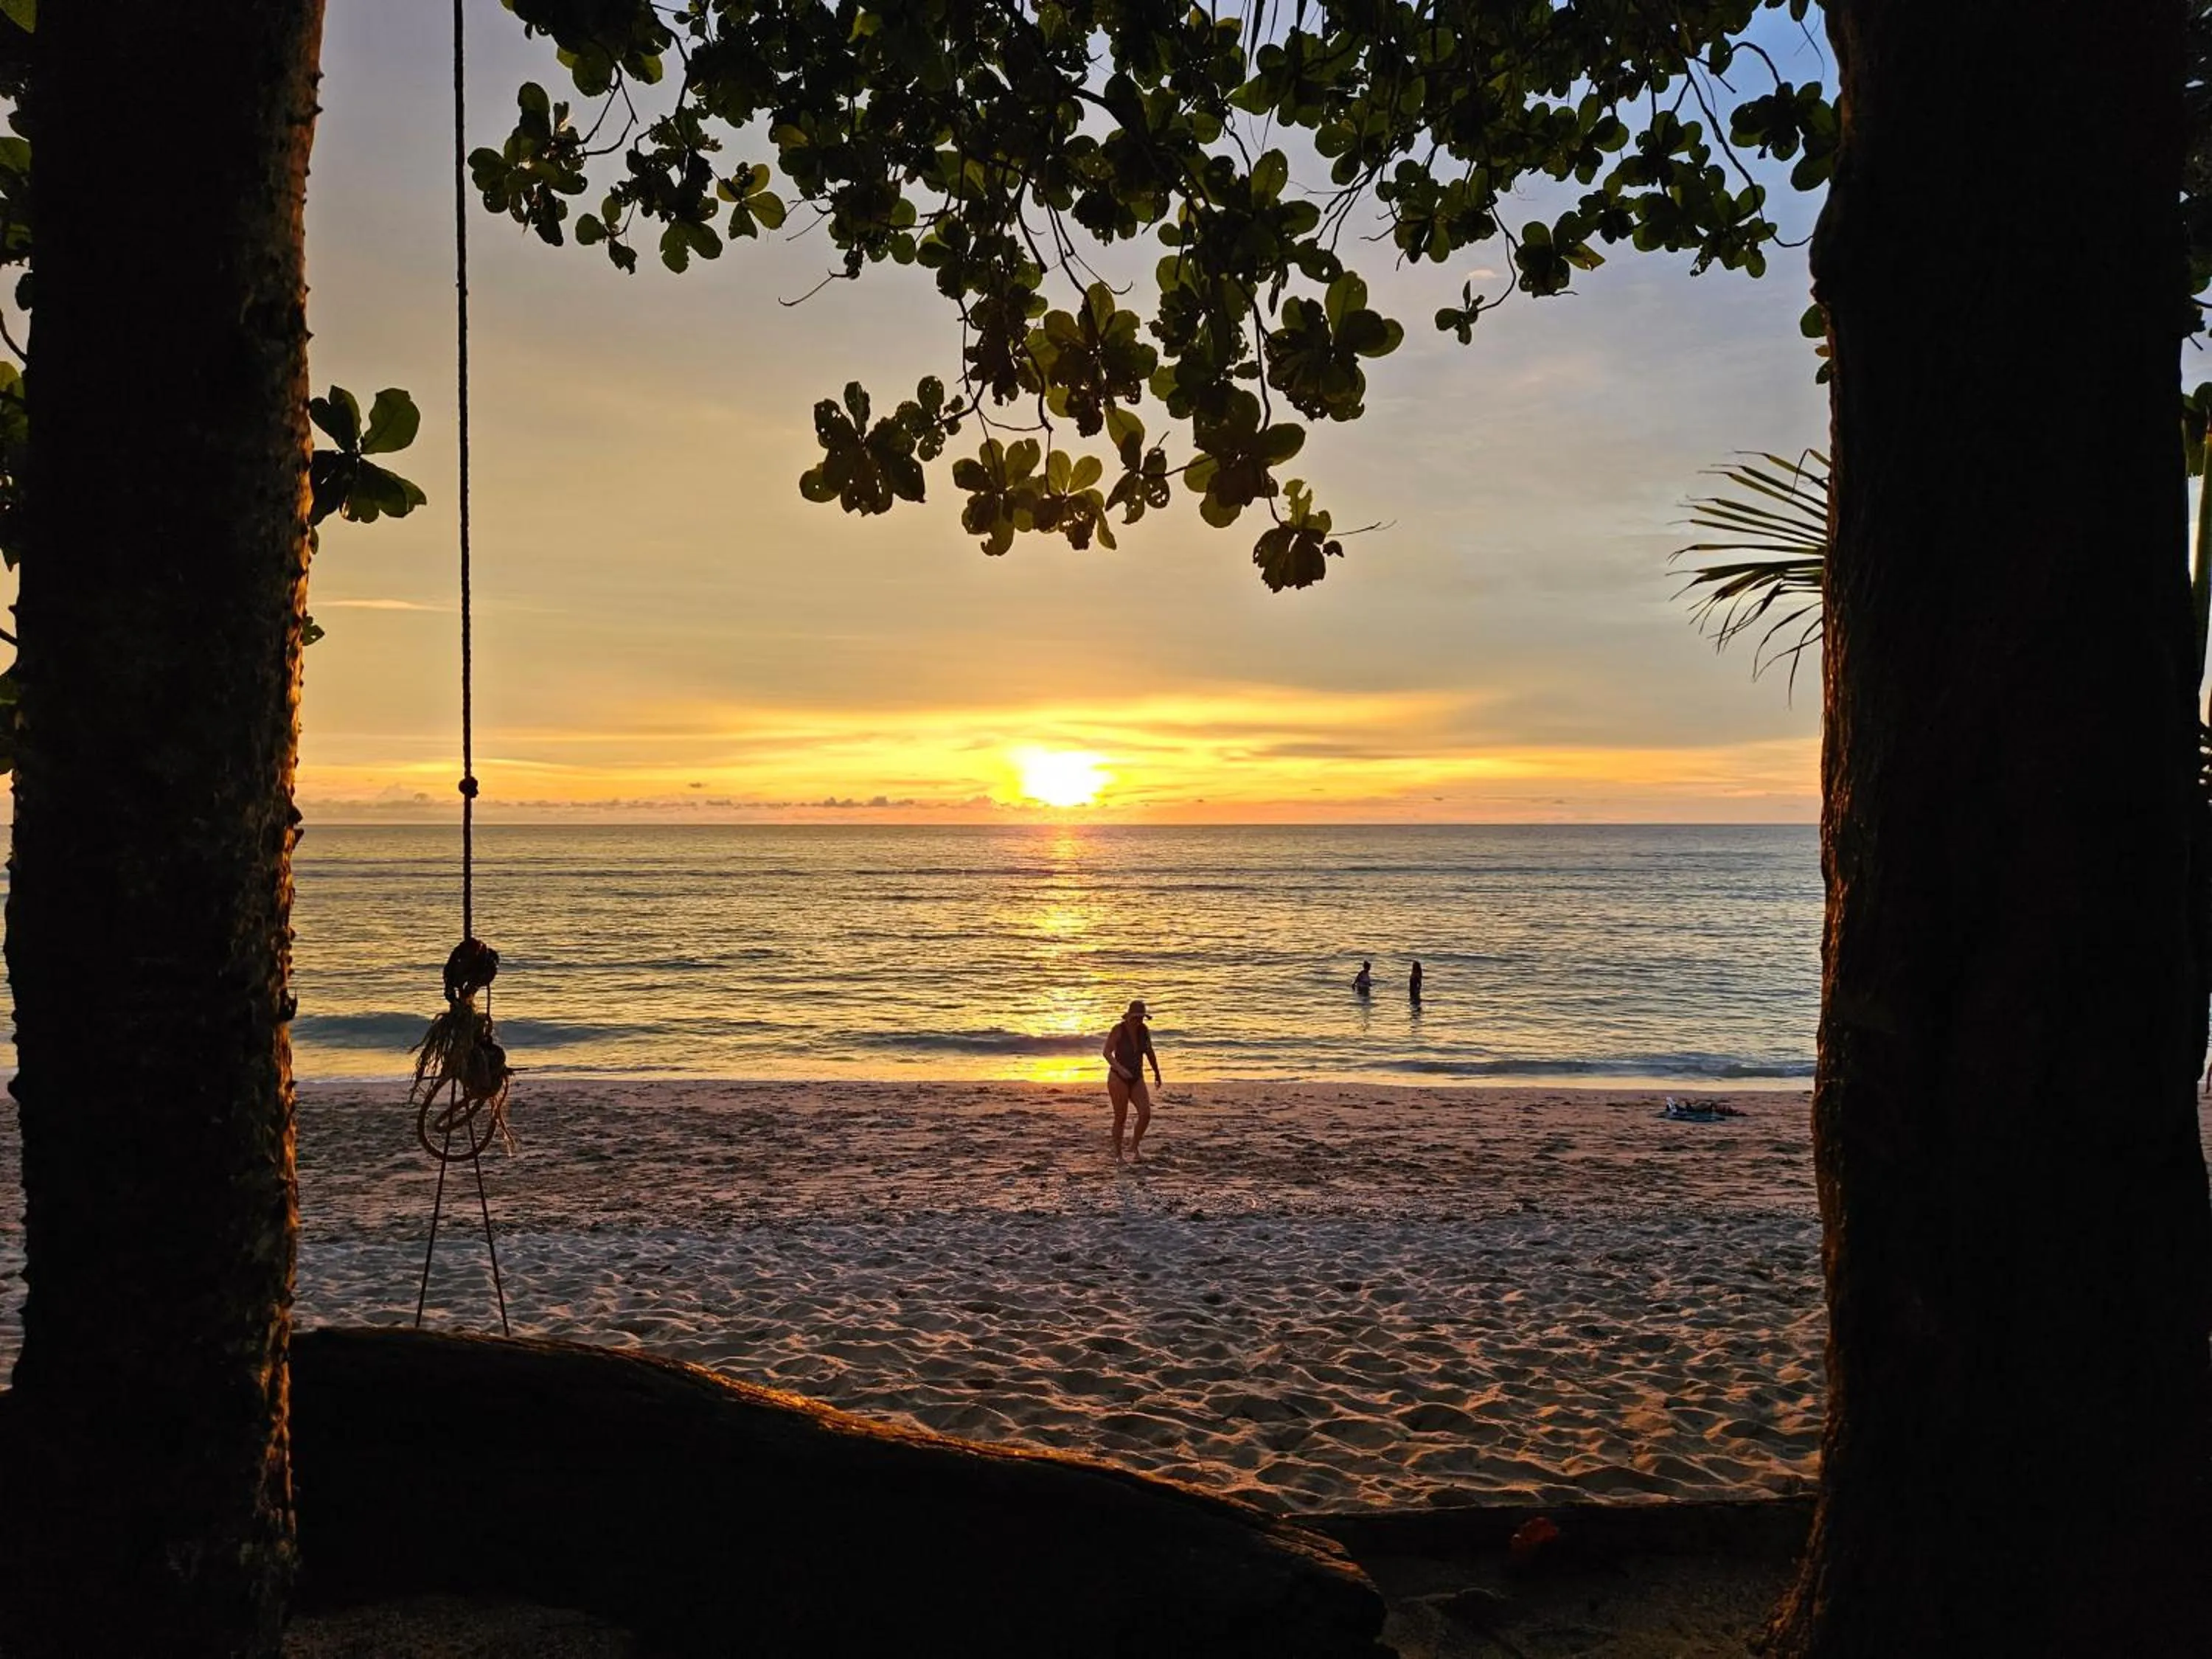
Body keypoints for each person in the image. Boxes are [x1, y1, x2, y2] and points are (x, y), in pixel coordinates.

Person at [1103, 998, 1163, 1163]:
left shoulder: (1144, 1030)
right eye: (1136, 1017)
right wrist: (1120, 1068)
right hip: (1118, 1077)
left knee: (1145, 1114)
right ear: (1129, 1017)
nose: (1139, 1021)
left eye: (1141, 1018)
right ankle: (1118, 1154)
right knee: (1120, 1117)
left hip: (1137, 1077)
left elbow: (1150, 1052)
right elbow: (1107, 1052)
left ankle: (1134, 1147)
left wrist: (1157, 1073)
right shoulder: (1118, 1030)